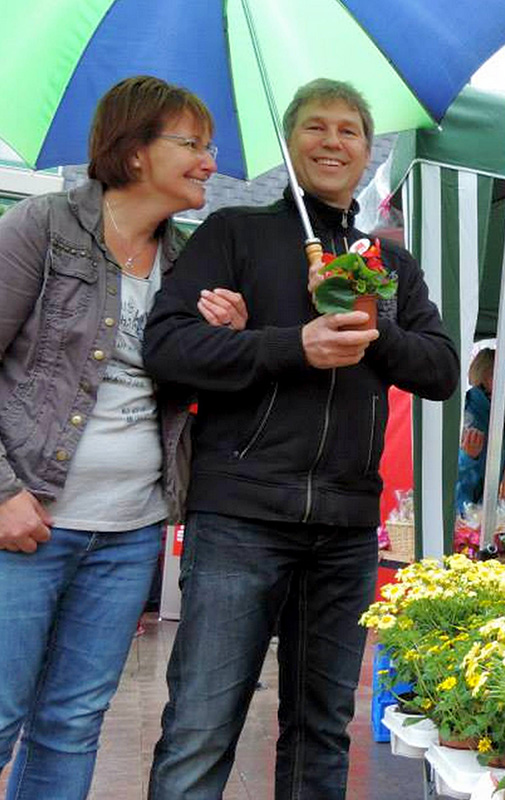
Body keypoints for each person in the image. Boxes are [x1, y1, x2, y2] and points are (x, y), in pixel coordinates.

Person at [142, 79, 457, 798]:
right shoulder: (234, 236)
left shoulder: (390, 266)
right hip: (240, 516)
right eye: (315, 127)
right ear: (290, 145)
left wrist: (371, 321)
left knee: (320, 729)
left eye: (349, 130)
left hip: (346, 526)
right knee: (201, 723)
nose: (332, 142)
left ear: (367, 151)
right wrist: (292, 344)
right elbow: (167, 347)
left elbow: (439, 369)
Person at [0, 76, 243, 800]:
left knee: (73, 722)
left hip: (131, 529)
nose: (210, 162)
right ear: (135, 153)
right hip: (28, 521)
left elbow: (178, 392)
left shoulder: (190, 258)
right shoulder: (43, 227)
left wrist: (219, 342)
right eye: (192, 145)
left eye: (210, 146)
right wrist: (4, 492)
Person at [455, 347, 505, 514]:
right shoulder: (469, 415)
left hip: (479, 515)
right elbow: (447, 471)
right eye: (504, 375)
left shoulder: (495, 417)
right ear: (485, 376)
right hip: (462, 516)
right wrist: (467, 458)